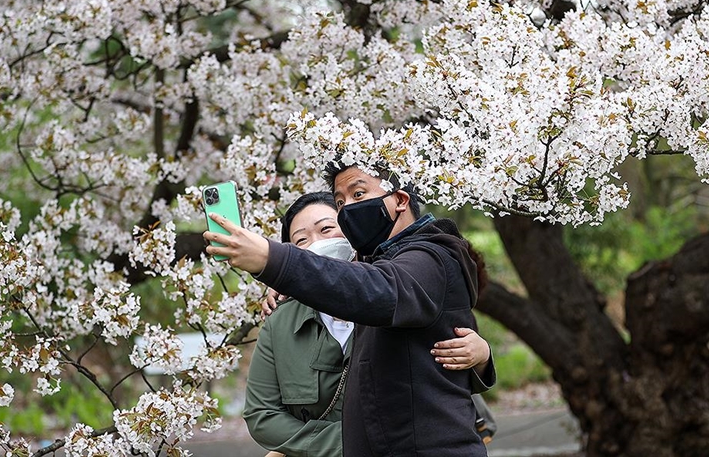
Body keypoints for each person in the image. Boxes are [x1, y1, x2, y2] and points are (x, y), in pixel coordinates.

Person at [205, 163, 495, 456]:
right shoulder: (285, 316)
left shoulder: (426, 258)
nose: (350, 209)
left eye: (359, 194)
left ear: (400, 200)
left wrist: (274, 261)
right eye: (342, 202)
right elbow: (262, 413)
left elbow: (377, 291)